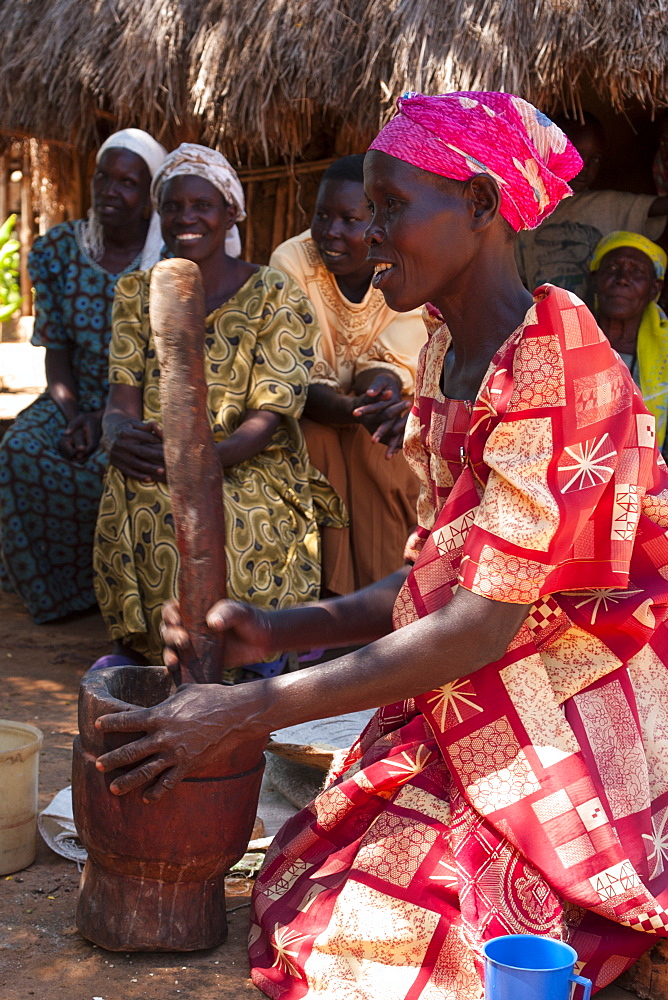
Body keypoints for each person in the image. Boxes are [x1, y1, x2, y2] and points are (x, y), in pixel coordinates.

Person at [94, 93, 668, 997]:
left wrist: (249, 710)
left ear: (481, 205)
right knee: (310, 886)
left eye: (392, 209)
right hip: (481, 681)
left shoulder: (555, 357)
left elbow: (477, 625)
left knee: (394, 953)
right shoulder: (447, 349)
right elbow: (432, 582)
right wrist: (270, 631)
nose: (367, 236)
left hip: (571, 687)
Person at [93, 143, 345, 672]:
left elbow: (271, 415)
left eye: (202, 205)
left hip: (249, 460)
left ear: (231, 211)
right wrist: (117, 436)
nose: (187, 218)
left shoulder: (275, 293)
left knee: (235, 516)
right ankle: (156, 651)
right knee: (142, 496)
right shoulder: (136, 290)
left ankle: (245, 652)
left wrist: (203, 462)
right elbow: (121, 398)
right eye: (174, 206)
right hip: (160, 458)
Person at [0, 129, 166, 623]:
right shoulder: (58, 252)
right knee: (20, 449)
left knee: (125, 463)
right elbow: (57, 351)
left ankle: (113, 590)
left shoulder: (167, 262)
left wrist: (105, 417)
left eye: (128, 182)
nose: (111, 190)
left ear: (147, 197)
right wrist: (74, 415)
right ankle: (54, 592)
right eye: (104, 177)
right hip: (71, 396)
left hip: (142, 401)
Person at [270, 155, 424, 594]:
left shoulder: (401, 262)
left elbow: (392, 362)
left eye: (348, 218)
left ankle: (385, 598)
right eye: (322, 216)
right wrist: (354, 408)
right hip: (311, 407)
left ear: (375, 220)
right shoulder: (293, 261)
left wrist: (378, 398)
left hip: (369, 407)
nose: (330, 232)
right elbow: (295, 371)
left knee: (381, 450)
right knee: (317, 441)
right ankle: (328, 595)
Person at [516, 112, 668, 308]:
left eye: (595, 159)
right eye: (576, 155)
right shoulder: (525, 213)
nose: (584, 167)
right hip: (547, 325)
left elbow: (658, 208)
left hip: (597, 328)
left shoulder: (607, 204)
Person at [590, 230, 668, 453]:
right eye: (612, 268)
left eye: (638, 272)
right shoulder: (563, 343)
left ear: (654, 289)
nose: (622, 279)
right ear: (595, 280)